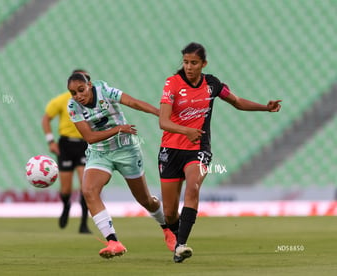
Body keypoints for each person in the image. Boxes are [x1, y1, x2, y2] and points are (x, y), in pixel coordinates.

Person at [158, 42, 282, 263]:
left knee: (193, 187)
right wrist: (185, 130)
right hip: (170, 150)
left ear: (203, 63)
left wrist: (266, 107)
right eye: (185, 62)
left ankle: (181, 246)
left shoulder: (212, 84)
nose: (188, 67)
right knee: (169, 212)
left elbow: (237, 101)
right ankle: (176, 235)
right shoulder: (172, 84)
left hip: (199, 149)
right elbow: (163, 122)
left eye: (194, 63)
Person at [66, 72, 176, 259]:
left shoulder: (104, 90)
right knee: (88, 190)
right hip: (100, 153)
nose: (78, 96)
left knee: (145, 200)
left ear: (90, 85)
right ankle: (113, 241)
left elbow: (132, 102)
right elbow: (90, 138)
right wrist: (118, 128)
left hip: (126, 151)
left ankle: (168, 229)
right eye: (73, 93)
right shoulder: (73, 106)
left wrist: (159, 113)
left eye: (81, 90)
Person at [41, 69, 91, 234]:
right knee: (66, 189)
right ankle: (66, 205)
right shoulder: (63, 100)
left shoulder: (93, 101)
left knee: (86, 186)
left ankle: (84, 224)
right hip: (66, 145)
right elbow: (46, 118)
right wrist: (51, 140)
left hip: (85, 145)